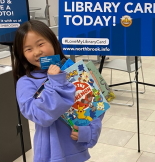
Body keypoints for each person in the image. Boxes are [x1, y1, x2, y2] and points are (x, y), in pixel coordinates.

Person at [13, 20, 104, 162]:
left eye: (40, 44)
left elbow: (97, 106)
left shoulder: (73, 71)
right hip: (50, 154)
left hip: (76, 150)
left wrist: (89, 131)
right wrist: (56, 82)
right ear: (22, 54)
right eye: (28, 49)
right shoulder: (25, 82)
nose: (37, 52)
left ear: (54, 42)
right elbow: (40, 116)